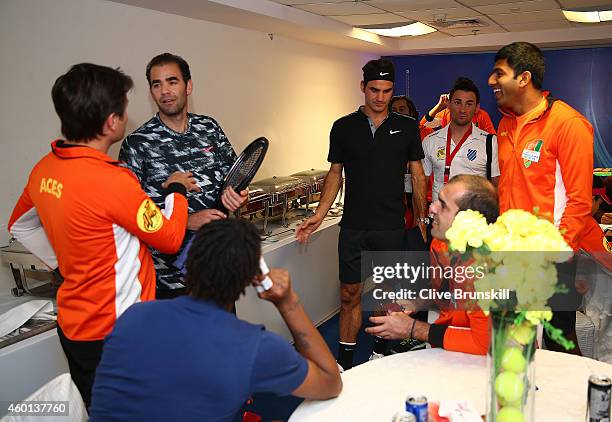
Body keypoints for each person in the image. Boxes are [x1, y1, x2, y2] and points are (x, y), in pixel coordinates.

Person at [7, 63, 195, 407]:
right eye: (123, 108)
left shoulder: (44, 168)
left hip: (76, 327)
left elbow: (19, 224)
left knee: (101, 409)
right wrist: (177, 191)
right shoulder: (112, 181)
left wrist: (63, 262)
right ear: (112, 122)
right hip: (120, 332)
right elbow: (168, 237)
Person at [90, 219, 342, 421]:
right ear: (250, 279)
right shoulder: (256, 347)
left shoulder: (132, 317)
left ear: (189, 264)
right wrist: (288, 303)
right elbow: (331, 382)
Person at [296, 59, 427, 369]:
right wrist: (319, 213)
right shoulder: (343, 127)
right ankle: (345, 361)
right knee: (349, 294)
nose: (380, 97)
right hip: (353, 226)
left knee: (385, 294)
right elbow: (334, 174)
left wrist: (421, 218)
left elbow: (418, 175)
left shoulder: (407, 127)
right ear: (362, 87)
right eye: (373, 90)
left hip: (390, 227)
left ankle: (380, 351)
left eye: (386, 91)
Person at [488, 41, 608, 353]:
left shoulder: (568, 125)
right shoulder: (505, 124)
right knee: (515, 339)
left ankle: (576, 401)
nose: (491, 81)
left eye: (499, 73)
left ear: (523, 78)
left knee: (558, 341)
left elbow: (579, 201)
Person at [119, 53, 247, 299]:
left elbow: (234, 179)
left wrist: (238, 195)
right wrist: (185, 221)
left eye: (172, 81)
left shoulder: (209, 128)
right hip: (168, 281)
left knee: (223, 337)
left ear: (188, 86)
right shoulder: (137, 143)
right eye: (157, 84)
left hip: (217, 267)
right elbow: (130, 211)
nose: (164, 90)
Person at [366, 175, 498, 355]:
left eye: (443, 205)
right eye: (437, 199)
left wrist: (414, 329)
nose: (431, 207)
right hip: (451, 352)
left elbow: (485, 345)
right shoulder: (440, 243)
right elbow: (446, 291)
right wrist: (417, 302)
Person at [422, 77, 500, 203]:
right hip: (439, 216)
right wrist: (439, 106)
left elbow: (495, 184)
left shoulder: (489, 139)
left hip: (473, 218)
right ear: (449, 104)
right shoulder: (431, 140)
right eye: (457, 102)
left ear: (476, 107)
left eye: (469, 104)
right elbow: (424, 126)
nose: (463, 110)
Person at [420, 92, 496, 139]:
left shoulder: (482, 115)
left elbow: (492, 138)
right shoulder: (447, 113)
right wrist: (440, 105)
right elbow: (424, 126)